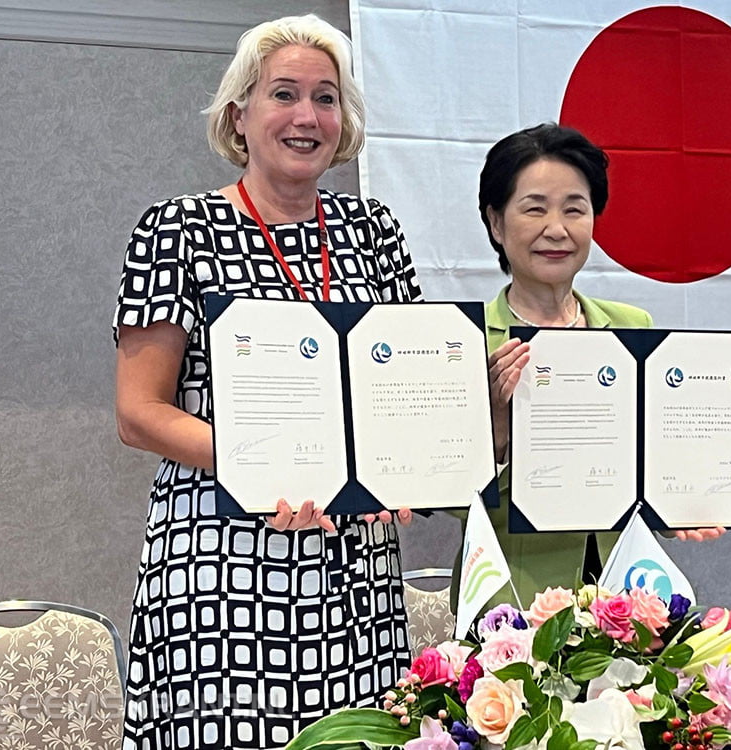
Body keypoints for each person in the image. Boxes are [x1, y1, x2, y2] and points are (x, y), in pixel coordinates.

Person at [113, 15, 419, 748]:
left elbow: (402, 392)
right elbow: (139, 412)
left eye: (326, 97)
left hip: (355, 567)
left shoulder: (374, 230)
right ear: (238, 114)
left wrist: (405, 463)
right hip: (224, 571)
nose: (307, 116)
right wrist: (272, 463)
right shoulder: (178, 230)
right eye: (283, 94)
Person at [464, 123, 723, 610]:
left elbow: (649, 461)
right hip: (513, 602)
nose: (556, 229)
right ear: (496, 222)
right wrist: (497, 429)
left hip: (628, 596)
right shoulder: (468, 341)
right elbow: (451, 501)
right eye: (534, 207)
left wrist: (677, 502)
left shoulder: (632, 329)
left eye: (574, 209)